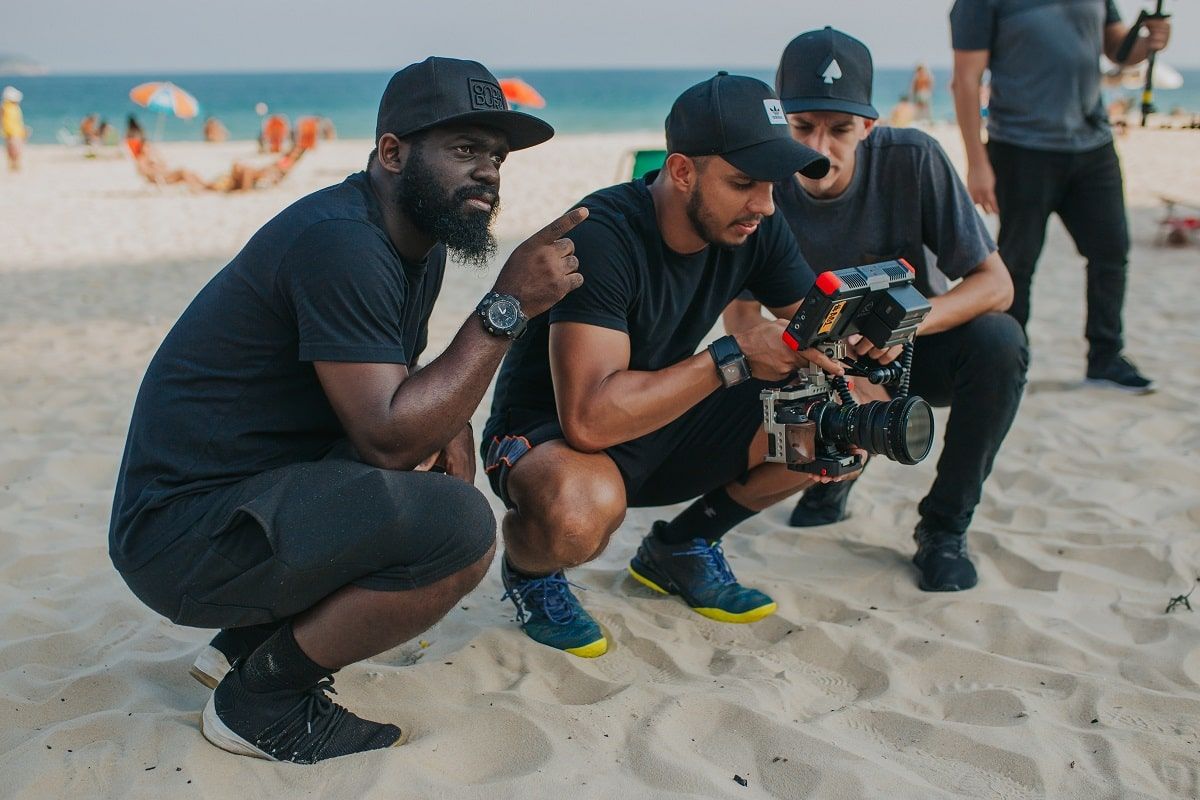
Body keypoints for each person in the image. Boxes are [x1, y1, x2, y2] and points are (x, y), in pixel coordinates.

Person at [109, 56, 579, 763]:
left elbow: (394, 386)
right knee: (459, 527)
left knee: (429, 452)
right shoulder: (341, 241)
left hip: (232, 500)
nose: (487, 171)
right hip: (179, 536)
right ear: (392, 152)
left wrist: (453, 424)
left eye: (496, 156)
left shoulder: (414, 241)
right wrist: (506, 307)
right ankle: (261, 700)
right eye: (463, 149)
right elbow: (387, 437)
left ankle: (243, 649)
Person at [482, 72, 849, 658]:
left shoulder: (756, 225)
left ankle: (683, 545)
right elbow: (589, 420)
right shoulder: (600, 235)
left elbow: (816, 324)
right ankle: (531, 572)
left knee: (848, 417)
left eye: (774, 184)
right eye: (743, 182)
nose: (765, 204)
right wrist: (730, 355)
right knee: (578, 517)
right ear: (682, 172)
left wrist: (862, 340)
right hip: (553, 439)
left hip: (663, 418)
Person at [724, 27, 1028, 592]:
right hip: (806, 355)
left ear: (869, 126)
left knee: (1000, 341)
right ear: (778, 121)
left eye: (839, 129)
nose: (819, 149)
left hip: (912, 347)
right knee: (772, 447)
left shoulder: (913, 159)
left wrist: (907, 327)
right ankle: (832, 475)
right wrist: (821, 370)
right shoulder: (759, 182)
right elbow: (741, 318)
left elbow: (996, 283)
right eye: (802, 127)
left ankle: (944, 528)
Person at [950, 0, 1171, 393]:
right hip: (1020, 147)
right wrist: (976, 162)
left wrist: (1149, 42)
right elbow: (966, 79)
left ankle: (1105, 359)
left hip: (1093, 144)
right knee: (1017, 262)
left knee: (1110, 253)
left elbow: (1118, 49)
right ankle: (1009, 360)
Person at [2, 86, 27, 172]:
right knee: (14, 149)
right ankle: (14, 165)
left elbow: (18, 121)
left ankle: (14, 165)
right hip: (12, 131)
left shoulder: (12, 107)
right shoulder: (6, 107)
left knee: (14, 148)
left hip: (13, 131)